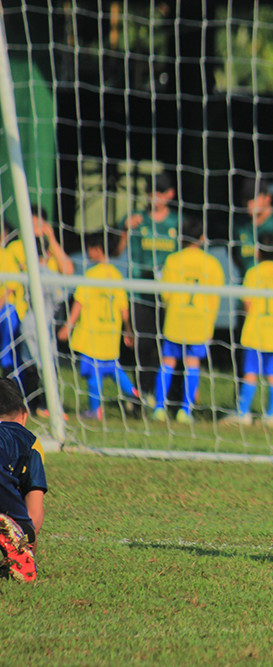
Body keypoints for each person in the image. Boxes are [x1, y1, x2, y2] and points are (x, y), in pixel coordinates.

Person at [57, 232, 146, 421]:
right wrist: (127, 331)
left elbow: (79, 303)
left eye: (89, 248)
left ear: (97, 250)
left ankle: (95, 410)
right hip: (111, 332)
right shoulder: (116, 275)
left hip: (92, 333)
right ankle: (134, 393)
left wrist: (68, 326)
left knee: (94, 371)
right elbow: (124, 308)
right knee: (114, 368)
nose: (87, 252)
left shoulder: (91, 275)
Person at [114, 173, 181, 396]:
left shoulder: (177, 223)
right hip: (141, 294)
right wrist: (125, 230)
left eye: (160, 192)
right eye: (151, 192)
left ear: (169, 195)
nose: (154, 197)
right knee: (142, 346)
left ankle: (170, 395)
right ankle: (143, 393)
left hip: (169, 297)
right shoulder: (135, 219)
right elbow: (116, 251)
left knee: (169, 346)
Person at [4, 207, 75, 416]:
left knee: (41, 363)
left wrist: (51, 239)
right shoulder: (17, 248)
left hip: (42, 320)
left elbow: (68, 271)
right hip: (20, 314)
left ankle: (41, 405)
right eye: (32, 224)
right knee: (19, 364)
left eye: (39, 224)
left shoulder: (50, 250)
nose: (36, 229)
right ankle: (23, 406)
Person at [152, 220, 224, 424]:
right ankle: (186, 410)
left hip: (176, 320)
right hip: (200, 323)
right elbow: (215, 298)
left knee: (167, 363)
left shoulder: (173, 260)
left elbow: (165, 294)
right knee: (192, 365)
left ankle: (159, 408)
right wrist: (210, 323)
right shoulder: (212, 264)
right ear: (202, 239)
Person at [227, 234, 273, 425]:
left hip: (257, 331)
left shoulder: (253, 273)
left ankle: (243, 413)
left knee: (251, 373)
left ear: (258, 251)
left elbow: (248, 303)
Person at [0, 377, 46, 582]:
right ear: (24, 414)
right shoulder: (29, 442)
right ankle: (19, 549)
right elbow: (35, 510)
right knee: (22, 530)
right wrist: (29, 549)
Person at [231, 177, 273, 275]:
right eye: (246, 199)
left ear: (268, 197)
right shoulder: (239, 225)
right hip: (248, 284)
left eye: (253, 198)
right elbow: (234, 256)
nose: (249, 204)